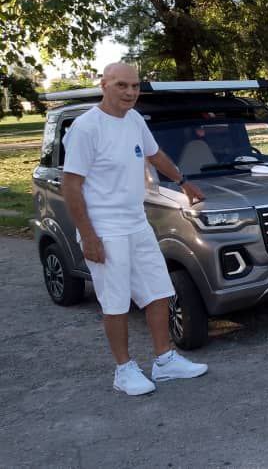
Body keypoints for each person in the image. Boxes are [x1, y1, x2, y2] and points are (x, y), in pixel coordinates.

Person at [62, 62, 209, 396]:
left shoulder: (135, 120)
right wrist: (88, 234)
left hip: (136, 223)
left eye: (135, 86)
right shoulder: (87, 128)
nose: (130, 92)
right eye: (121, 85)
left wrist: (183, 182)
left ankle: (165, 360)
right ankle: (124, 370)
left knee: (158, 291)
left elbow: (155, 155)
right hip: (104, 228)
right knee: (115, 302)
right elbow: (71, 186)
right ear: (104, 85)